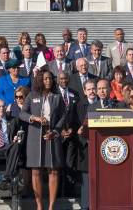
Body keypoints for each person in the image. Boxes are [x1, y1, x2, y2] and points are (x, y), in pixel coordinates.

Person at [19, 71, 66, 210]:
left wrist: (56, 131)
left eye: (50, 78)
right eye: (45, 78)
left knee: (53, 170)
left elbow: (63, 116)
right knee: (36, 171)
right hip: (34, 136)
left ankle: (51, 206)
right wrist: (34, 118)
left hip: (52, 135)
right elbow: (22, 113)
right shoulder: (32, 95)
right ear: (40, 79)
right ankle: (39, 206)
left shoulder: (57, 97)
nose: (48, 81)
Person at [55, 72, 80, 197]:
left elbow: (77, 115)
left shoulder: (74, 93)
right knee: (59, 164)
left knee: (70, 164)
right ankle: (58, 193)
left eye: (65, 78)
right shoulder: (53, 94)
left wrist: (72, 129)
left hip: (71, 135)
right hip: (57, 136)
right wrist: (60, 131)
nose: (64, 81)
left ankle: (70, 192)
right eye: (61, 78)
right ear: (57, 80)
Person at [75, 79, 97, 210]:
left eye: (93, 88)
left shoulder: (103, 104)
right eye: (88, 89)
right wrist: (86, 140)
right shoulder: (79, 105)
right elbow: (76, 126)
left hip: (101, 146)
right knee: (86, 179)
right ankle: (85, 206)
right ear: (84, 91)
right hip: (85, 147)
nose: (92, 91)